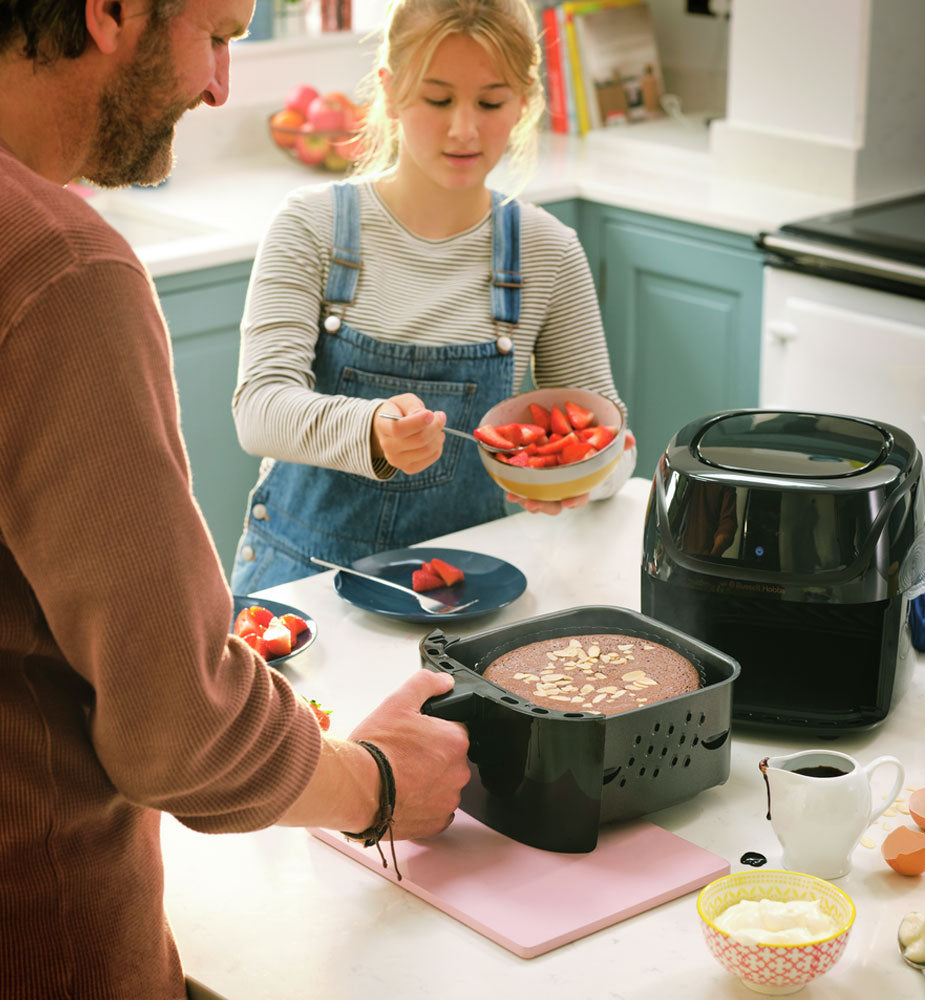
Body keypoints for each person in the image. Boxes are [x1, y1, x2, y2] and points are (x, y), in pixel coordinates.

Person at [0, 3, 470, 998]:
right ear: (112, 13)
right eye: (216, 33)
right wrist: (380, 782)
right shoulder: (58, 270)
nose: (220, 85)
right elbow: (182, 732)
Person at [230, 0, 637, 593]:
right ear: (390, 93)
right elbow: (259, 409)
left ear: (523, 101)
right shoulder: (311, 226)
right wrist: (372, 429)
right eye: (439, 99)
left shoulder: (548, 252)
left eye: (491, 102)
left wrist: (579, 477)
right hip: (300, 583)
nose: (464, 129)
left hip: (461, 594)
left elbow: (606, 442)